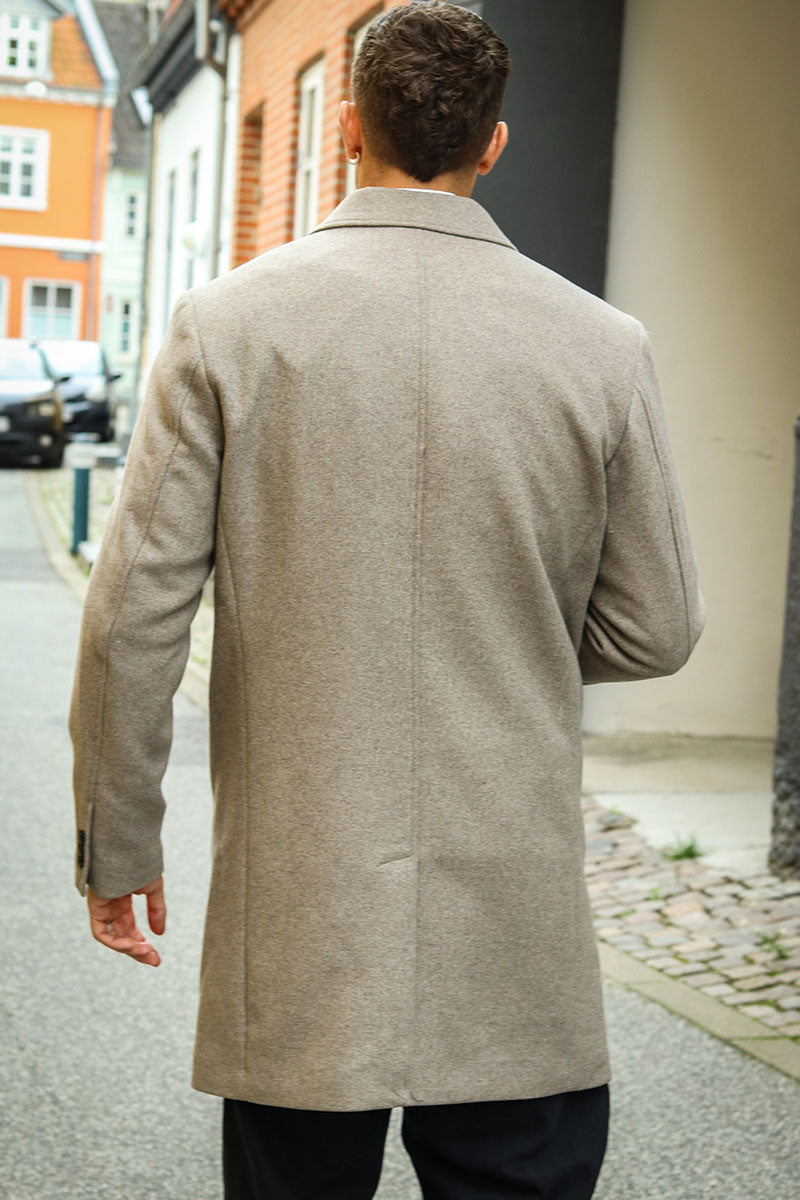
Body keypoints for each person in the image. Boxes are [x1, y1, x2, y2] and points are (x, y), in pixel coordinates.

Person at [69, 3, 705, 1197]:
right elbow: (655, 628)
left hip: (302, 916)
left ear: (348, 127)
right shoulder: (602, 345)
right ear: (494, 143)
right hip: (510, 928)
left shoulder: (227, 326)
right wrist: (508, 630)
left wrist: (119, 845)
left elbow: (130, 620)